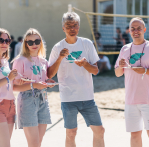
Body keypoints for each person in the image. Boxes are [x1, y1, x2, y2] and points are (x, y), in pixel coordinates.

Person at [48, 12, 105, 147]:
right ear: (63, 28)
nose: (72, 28)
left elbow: (96, 71)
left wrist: (85, 64)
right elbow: (49, 74)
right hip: (68, 98)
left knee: (100, 131)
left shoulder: (87, 44)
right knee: (71, 133)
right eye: (68, 26)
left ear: (78, 27)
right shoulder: (57, 47)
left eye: (75, 25)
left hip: (87, 97)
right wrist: (60, 58)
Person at [115, 17, 149, 147]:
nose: (135, 31)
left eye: (138, 28)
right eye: (133, 28)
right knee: (134, 135)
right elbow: (117, 73)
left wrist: (145, 70)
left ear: (144, 29)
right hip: (131, 100)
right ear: (129, 31)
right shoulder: (125, 49)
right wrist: (120, 66)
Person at [12, 28, 55, 147]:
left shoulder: (43, 61)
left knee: (38, 143)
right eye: (30, 42)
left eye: (37, 41)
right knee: (34, 144)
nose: (34, 44)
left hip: (43, 99)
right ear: (25, 44)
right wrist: (34, 85)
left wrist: (48, 82)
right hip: (27, 100)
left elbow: (43, 80)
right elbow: (14, 87)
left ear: (41, 42)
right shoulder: (19, 61)